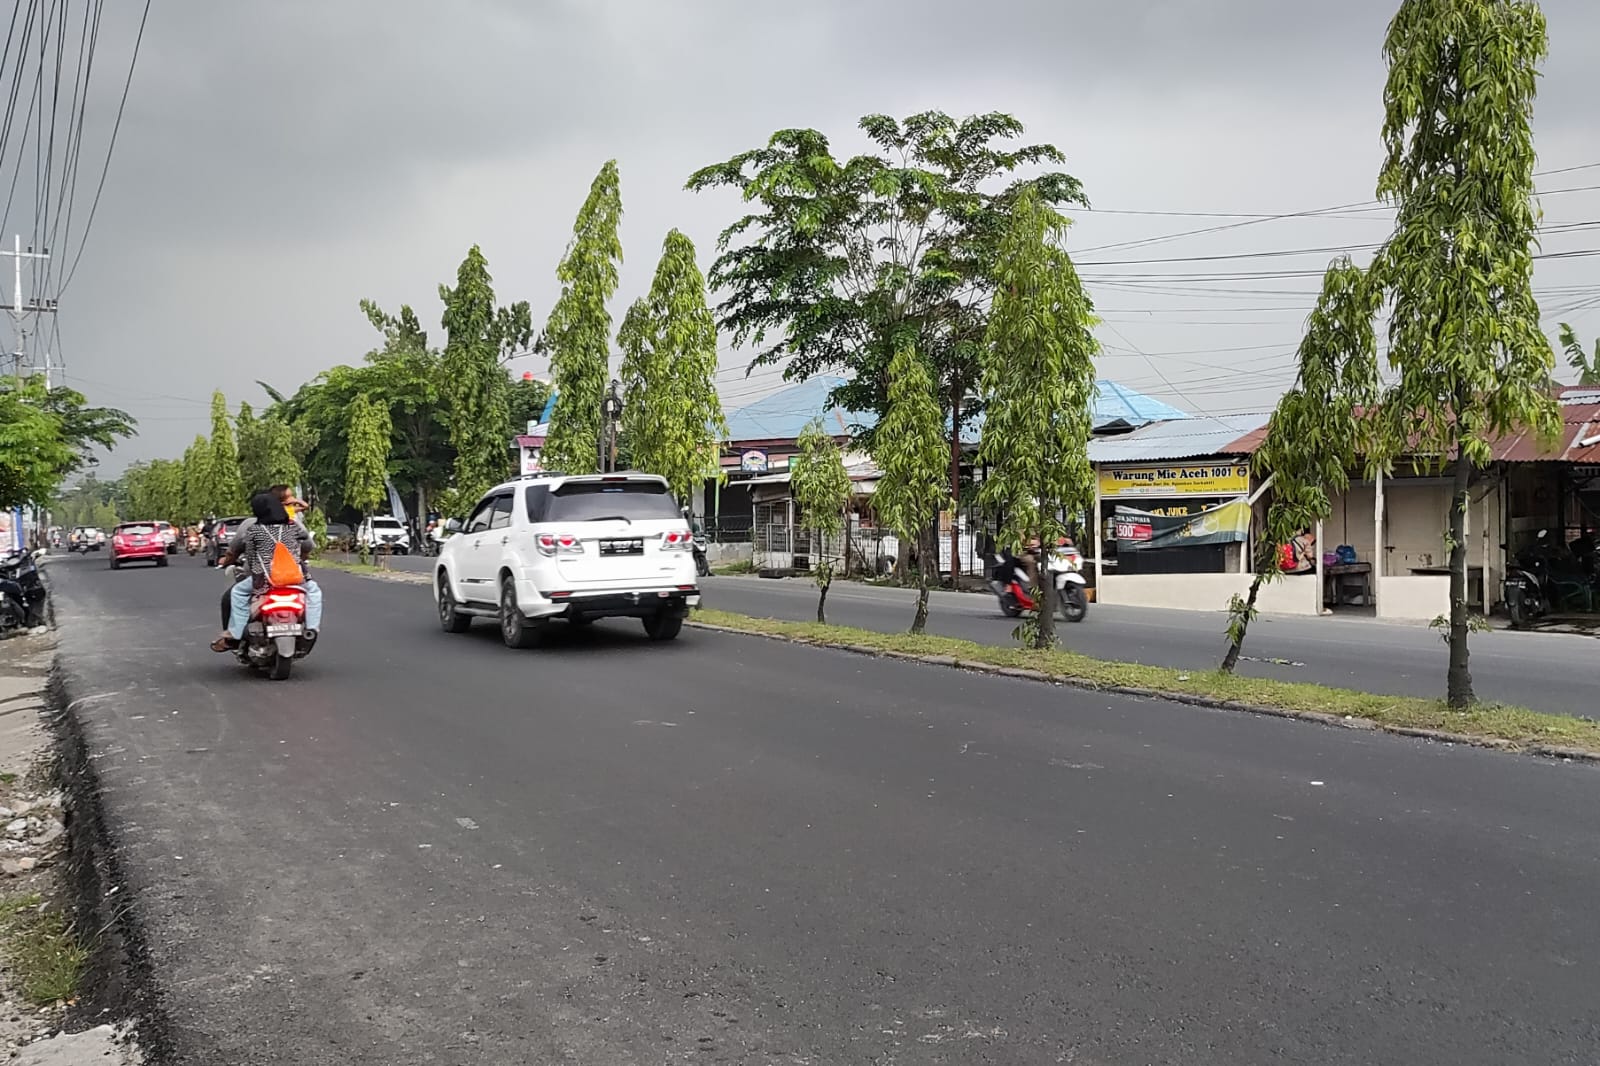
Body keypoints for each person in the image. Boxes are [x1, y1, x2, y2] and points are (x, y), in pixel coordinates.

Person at [212, 492, 321, 651]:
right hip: (295, 579)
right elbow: (306, 543)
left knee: (238, 593)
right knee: (314, 592)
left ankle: (235, 635)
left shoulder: (254, 530)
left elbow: (250, 556)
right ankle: (312, 628)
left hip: (265, 580)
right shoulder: (293, 527)